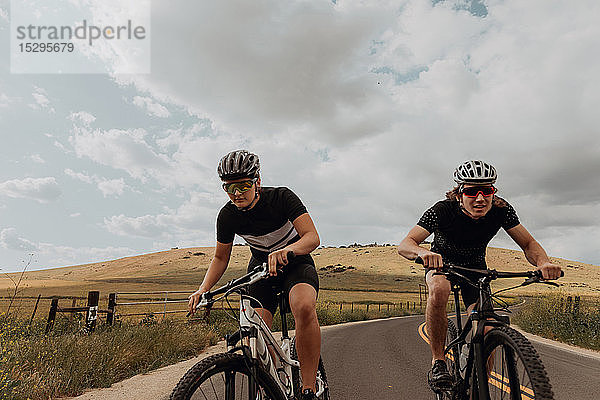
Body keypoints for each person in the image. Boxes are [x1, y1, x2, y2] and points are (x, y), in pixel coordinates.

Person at [397, 160, 562, 391]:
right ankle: (438, 361)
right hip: (443, 265)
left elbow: (528, 243)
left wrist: (543, 262)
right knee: (439, 289)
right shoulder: (442, 211)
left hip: (476, 269)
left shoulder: (501, 210)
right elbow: (406, 244)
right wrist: (423, 252)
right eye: (472, 191)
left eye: (487, 191)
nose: (480, 198)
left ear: (494, 192)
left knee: (487, 328)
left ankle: (477, 385)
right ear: (459, 193)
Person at [188, 150, 322, 400]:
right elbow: (220, 258)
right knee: (255, 327)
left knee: (303, 306)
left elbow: (312, 238)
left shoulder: (282, 197)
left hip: (296, 262)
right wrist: (202, 289)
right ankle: (271, 383)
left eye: (244, 185)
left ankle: (308, 387)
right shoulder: (227, 215)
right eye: (229, 188)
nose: (237, 193)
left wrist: (287, 251)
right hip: (260, 270)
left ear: (257, 181)